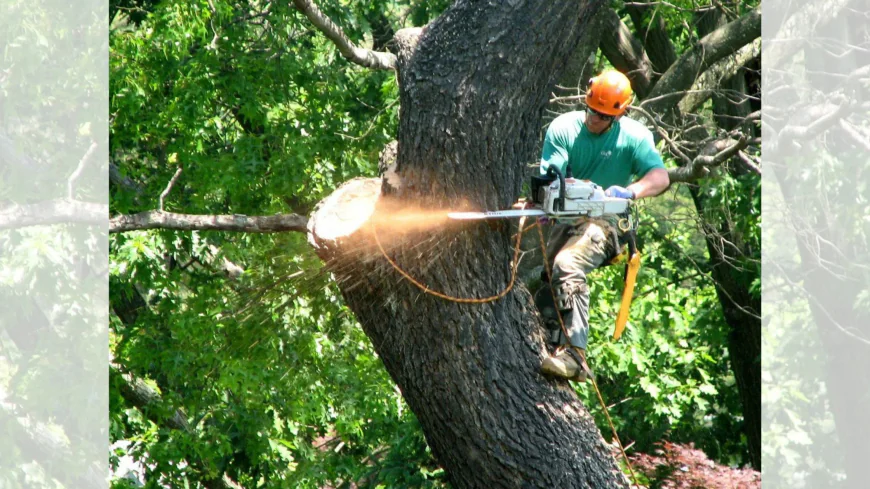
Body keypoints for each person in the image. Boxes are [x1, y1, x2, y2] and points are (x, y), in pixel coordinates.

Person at [537, 70, 670, 382]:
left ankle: (575, 356)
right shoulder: (564, 129)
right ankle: (550, 341)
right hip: (569, 217)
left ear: (620, 113)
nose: (594, 119)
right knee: (548, 278)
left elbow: (661, 177)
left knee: (568, 264)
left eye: (603, 116)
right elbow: (551, 177)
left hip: (608, 222)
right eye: (592, 111)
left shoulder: (634, 136)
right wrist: (549, 200)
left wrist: (630, 192)